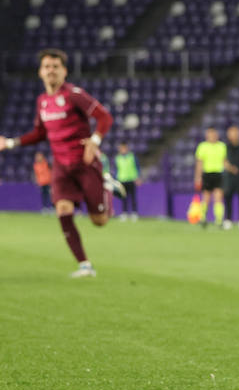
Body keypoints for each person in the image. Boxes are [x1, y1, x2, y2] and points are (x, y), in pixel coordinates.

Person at [0, 48, 116, 277]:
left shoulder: (74, 94)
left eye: (55, 66)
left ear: (64, 71)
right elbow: (40, 133)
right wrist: (10, 143)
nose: (51, 70)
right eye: (47, 67)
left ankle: (108, 187)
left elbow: (104, 117)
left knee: (99, 221)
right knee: (62, 210)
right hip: (61, 166)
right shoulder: (42, 101)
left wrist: (94, 140)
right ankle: (84, 265)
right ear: (40, 72)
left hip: (85, 163)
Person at [193, 127, 228, 229]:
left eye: (213, 134)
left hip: (218, 174)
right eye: (210, 134)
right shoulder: (202, 146)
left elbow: (224, 161)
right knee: (206, 198)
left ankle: (219, 220)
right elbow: (199, 163)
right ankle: (203, 218)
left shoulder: (222, 146)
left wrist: (231, 168)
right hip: (207, 174)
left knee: (218, 197)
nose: (212, 136)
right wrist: (198, 177)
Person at [113, 142, 141, 220]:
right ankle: (124, 213)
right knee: (124, 198)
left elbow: (137, 167)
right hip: (122, 180)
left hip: (131, 179)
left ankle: (134, 213)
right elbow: (116, 170)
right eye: (121, 148)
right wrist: (116, 180)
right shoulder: (117, 158)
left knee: (133, 197)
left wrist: (138, 177)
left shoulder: (132, 157)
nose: (122, 150)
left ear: (126, 148)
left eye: (123, 148)